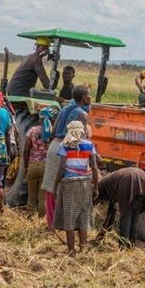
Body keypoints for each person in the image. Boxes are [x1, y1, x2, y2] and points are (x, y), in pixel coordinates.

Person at [41, 85, 91, 229]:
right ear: (83, 98)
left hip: (54, 146)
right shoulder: (82, 114)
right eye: (89, 95)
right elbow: (79, 137)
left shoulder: (63, 110)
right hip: (67, 148)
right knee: (66, 187)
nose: (90, 98)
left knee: (51, 186)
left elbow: (54, 130)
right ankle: (61, 224)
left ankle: (51, 223)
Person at [53, 120, 99, 257]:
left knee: (69, 216)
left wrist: (55, 186)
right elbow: (95, 168)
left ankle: (71, 250)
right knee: (83, 214)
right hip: (85, 183)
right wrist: (96, 187)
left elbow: (61, 168)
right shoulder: (90, 145)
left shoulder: (64, 146)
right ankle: (83, 246)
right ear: (82, 131)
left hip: (68, 184)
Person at [97, 167, 145, 249]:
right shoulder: (109, 184)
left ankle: (123, 247)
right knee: (135, 214)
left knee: (126, 214)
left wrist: (104, 229)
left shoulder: (97, 187)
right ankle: (131, 246)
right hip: (142, 176)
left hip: (128, 179)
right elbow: (112, 210)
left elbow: (112, 210)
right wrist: (104, 230)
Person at [24, 106, 59, 221]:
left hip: (32, 165)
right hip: (46, 167)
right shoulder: (54, 133)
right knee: (42, 196)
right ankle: (40, 220)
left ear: (40, 119)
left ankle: (29, 218)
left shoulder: (32, 131)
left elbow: (26, 150)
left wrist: (26, 166)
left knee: (31, 194)